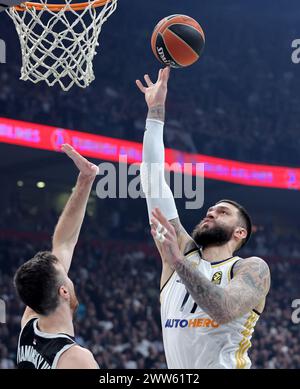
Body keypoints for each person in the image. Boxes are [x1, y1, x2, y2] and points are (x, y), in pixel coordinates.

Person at [136, 67, 271, 369]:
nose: (211, 211)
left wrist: (179, 262)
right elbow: (153, 181)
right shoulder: (180, 252)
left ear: (240, 233)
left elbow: (223, 309)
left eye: (222, 212)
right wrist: (155, 113)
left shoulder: (251, 268)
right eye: (210, 209)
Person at [14, 144, 99, 369]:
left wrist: (85, 181)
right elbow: (64, 243)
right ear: (63, 291)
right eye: (66, 276)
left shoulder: (29, 326)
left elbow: (64, 242)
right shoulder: (75, 359)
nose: (69, 276)